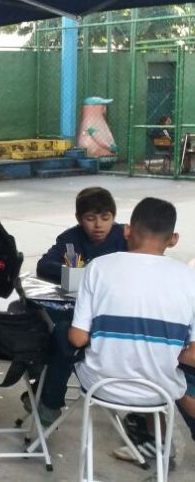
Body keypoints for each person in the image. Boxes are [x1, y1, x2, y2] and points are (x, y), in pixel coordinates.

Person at [31, 198, 195, 463]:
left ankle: (50, 403)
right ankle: (158, 443)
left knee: (63, 331)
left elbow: (78, 338)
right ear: (174, 239)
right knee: (160, 359)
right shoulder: (189, 278)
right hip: (161, 390)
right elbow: (192, 356)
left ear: (127, 230)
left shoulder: (98, 267)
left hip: (102, 384)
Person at [35, 186, 127, 282]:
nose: (98, 225)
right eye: (90, 219)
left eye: (105, 218)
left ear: (113, 217)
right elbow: (44, 266)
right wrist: (79, 272)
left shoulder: (126, 236)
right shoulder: (70, 239)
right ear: (79, 219)